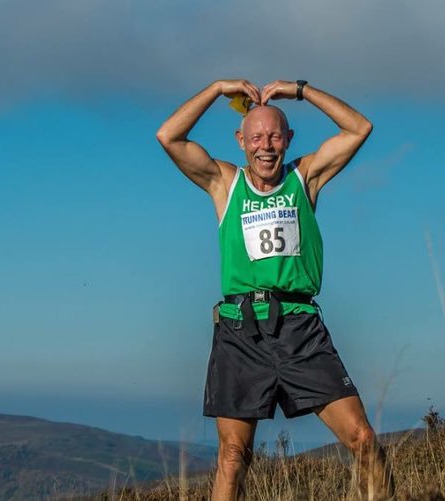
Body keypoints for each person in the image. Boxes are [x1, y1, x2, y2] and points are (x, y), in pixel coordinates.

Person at [155, 79, 389, 500]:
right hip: (240, 333)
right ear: (241, 141)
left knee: (363, 439)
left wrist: (301, 91)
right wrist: (215, 89)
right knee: (232, 456)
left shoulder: (305, 177)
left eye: (275, 135)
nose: (266, 145)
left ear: (288, 139)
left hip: (300, 328)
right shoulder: (225, 183)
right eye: (257, 136)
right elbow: (168, 136)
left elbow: (359, 128)